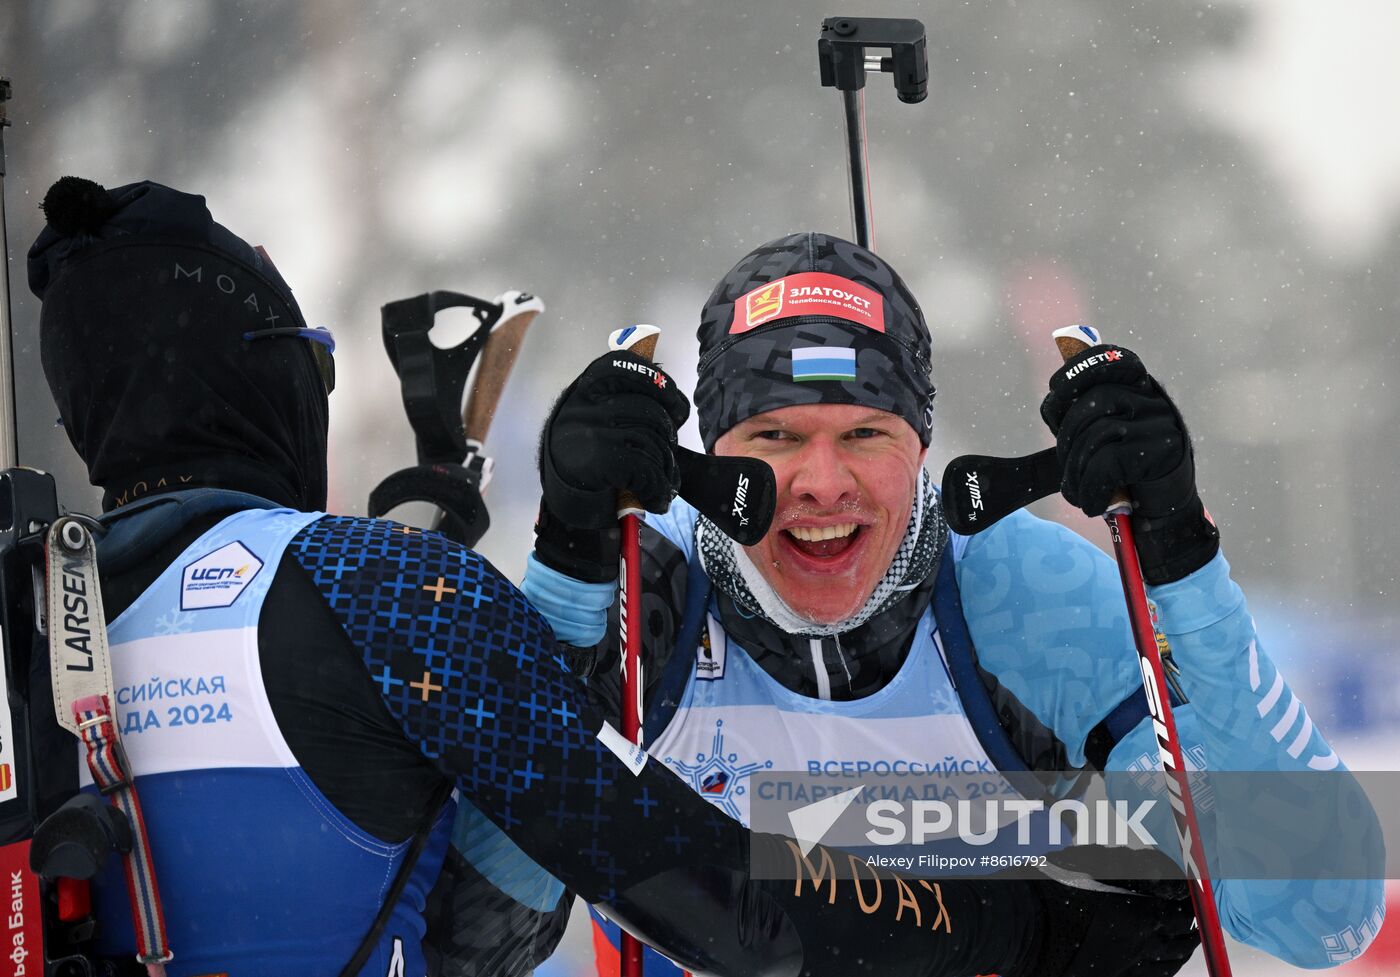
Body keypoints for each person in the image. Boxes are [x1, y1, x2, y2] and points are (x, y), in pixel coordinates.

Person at [24, 179, 1192, 977]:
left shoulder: (31, 605)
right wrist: (1035, 927)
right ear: (270, 380)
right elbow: (697, 891)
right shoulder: (375, 587)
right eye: (310, 365)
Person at [524, 231, 1387, 975]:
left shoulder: (1019, 595)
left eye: (866, 433)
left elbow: (1321, 916)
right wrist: (563, 564)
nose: (824, 485)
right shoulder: (647, 597)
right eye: (775, 437)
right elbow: (481, 932)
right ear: (709, 454)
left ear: (924, 443)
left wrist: (1183, 560)